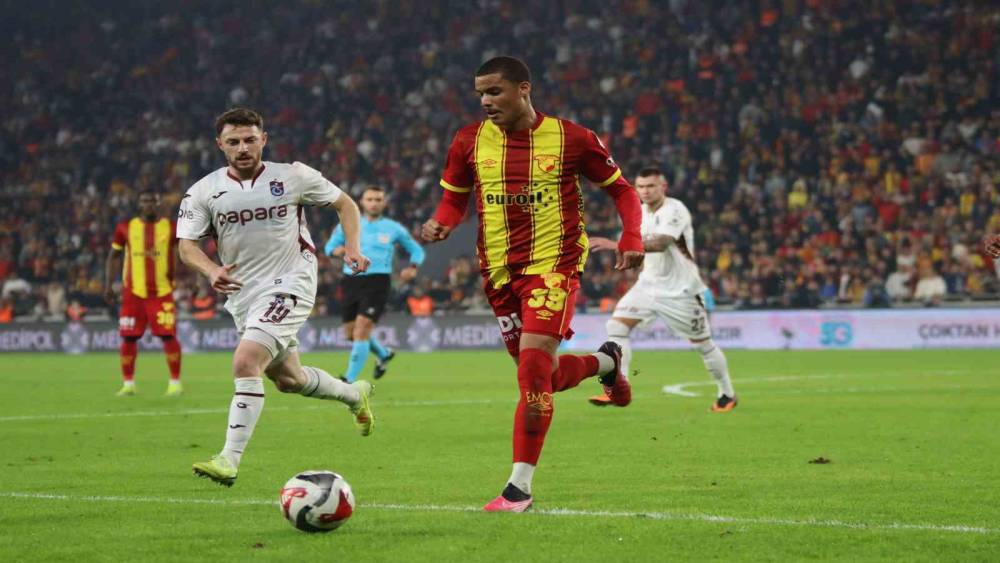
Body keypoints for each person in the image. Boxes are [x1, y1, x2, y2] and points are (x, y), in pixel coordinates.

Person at [421, 56, 644, 512]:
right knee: (544, 376)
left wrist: (632, 235)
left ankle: (518, 487)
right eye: (480, 94)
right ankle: (606, 362)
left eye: (494, 91)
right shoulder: (467, 140)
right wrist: (441, 222)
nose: (485, 101)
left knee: (532, 374)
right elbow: (453, 199)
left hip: (553, 264)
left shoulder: (572, 138)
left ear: (523, 88)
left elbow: (622, 189)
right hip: (498, 271)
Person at [177, 107, 375, 487]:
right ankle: (354, 395)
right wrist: (211, 270)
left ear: (263, 140)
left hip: (291, 281)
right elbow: (187, 246)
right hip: (243, 294)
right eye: (234, 142)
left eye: (250, 140)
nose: (243, 148)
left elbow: (345, 204)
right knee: (289, 379)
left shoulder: (293, 175)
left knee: (245, 361)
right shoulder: (203, 191)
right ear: (220, 145)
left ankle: (229, 459)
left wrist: (352, 246)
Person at [587, 168, 737, 412]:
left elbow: (661, 243)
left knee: (703, 344)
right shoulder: (639, 212)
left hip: (681, 291)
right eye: (641, 186)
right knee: (616, 326)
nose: (645, 191)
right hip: (648, 285)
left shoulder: (675, 209)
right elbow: (639, 248)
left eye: (651, 186)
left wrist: (617, 245)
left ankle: (727, 393)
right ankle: (618, 388)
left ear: (663, 187)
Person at [324, 186, 424, 381]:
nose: (374, 203)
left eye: (378, 200)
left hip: (378, 281)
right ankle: (384, 354)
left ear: (384, 203)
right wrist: (339, 251)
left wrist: (413, 267)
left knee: (362, 329)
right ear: (362, 202)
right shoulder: (348, 224)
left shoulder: (393, 228)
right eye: (369, 199)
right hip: (351, 281)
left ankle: (348, 380)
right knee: (351, 334)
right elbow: (329, 247)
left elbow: (416, 250)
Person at [103, 191, 183, 397]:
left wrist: (191, 278)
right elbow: (113, 256)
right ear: (139, 204)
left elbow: (185, 252)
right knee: (129, 338)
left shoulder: (171, 227)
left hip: (162, 291)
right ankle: (128, 384)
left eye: (152, 201)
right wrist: (108, 285)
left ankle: (175, 382)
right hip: (133, 293)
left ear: (158, 203)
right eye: (144, 201)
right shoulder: (125, 227)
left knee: (168, 335)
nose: (148, 204)